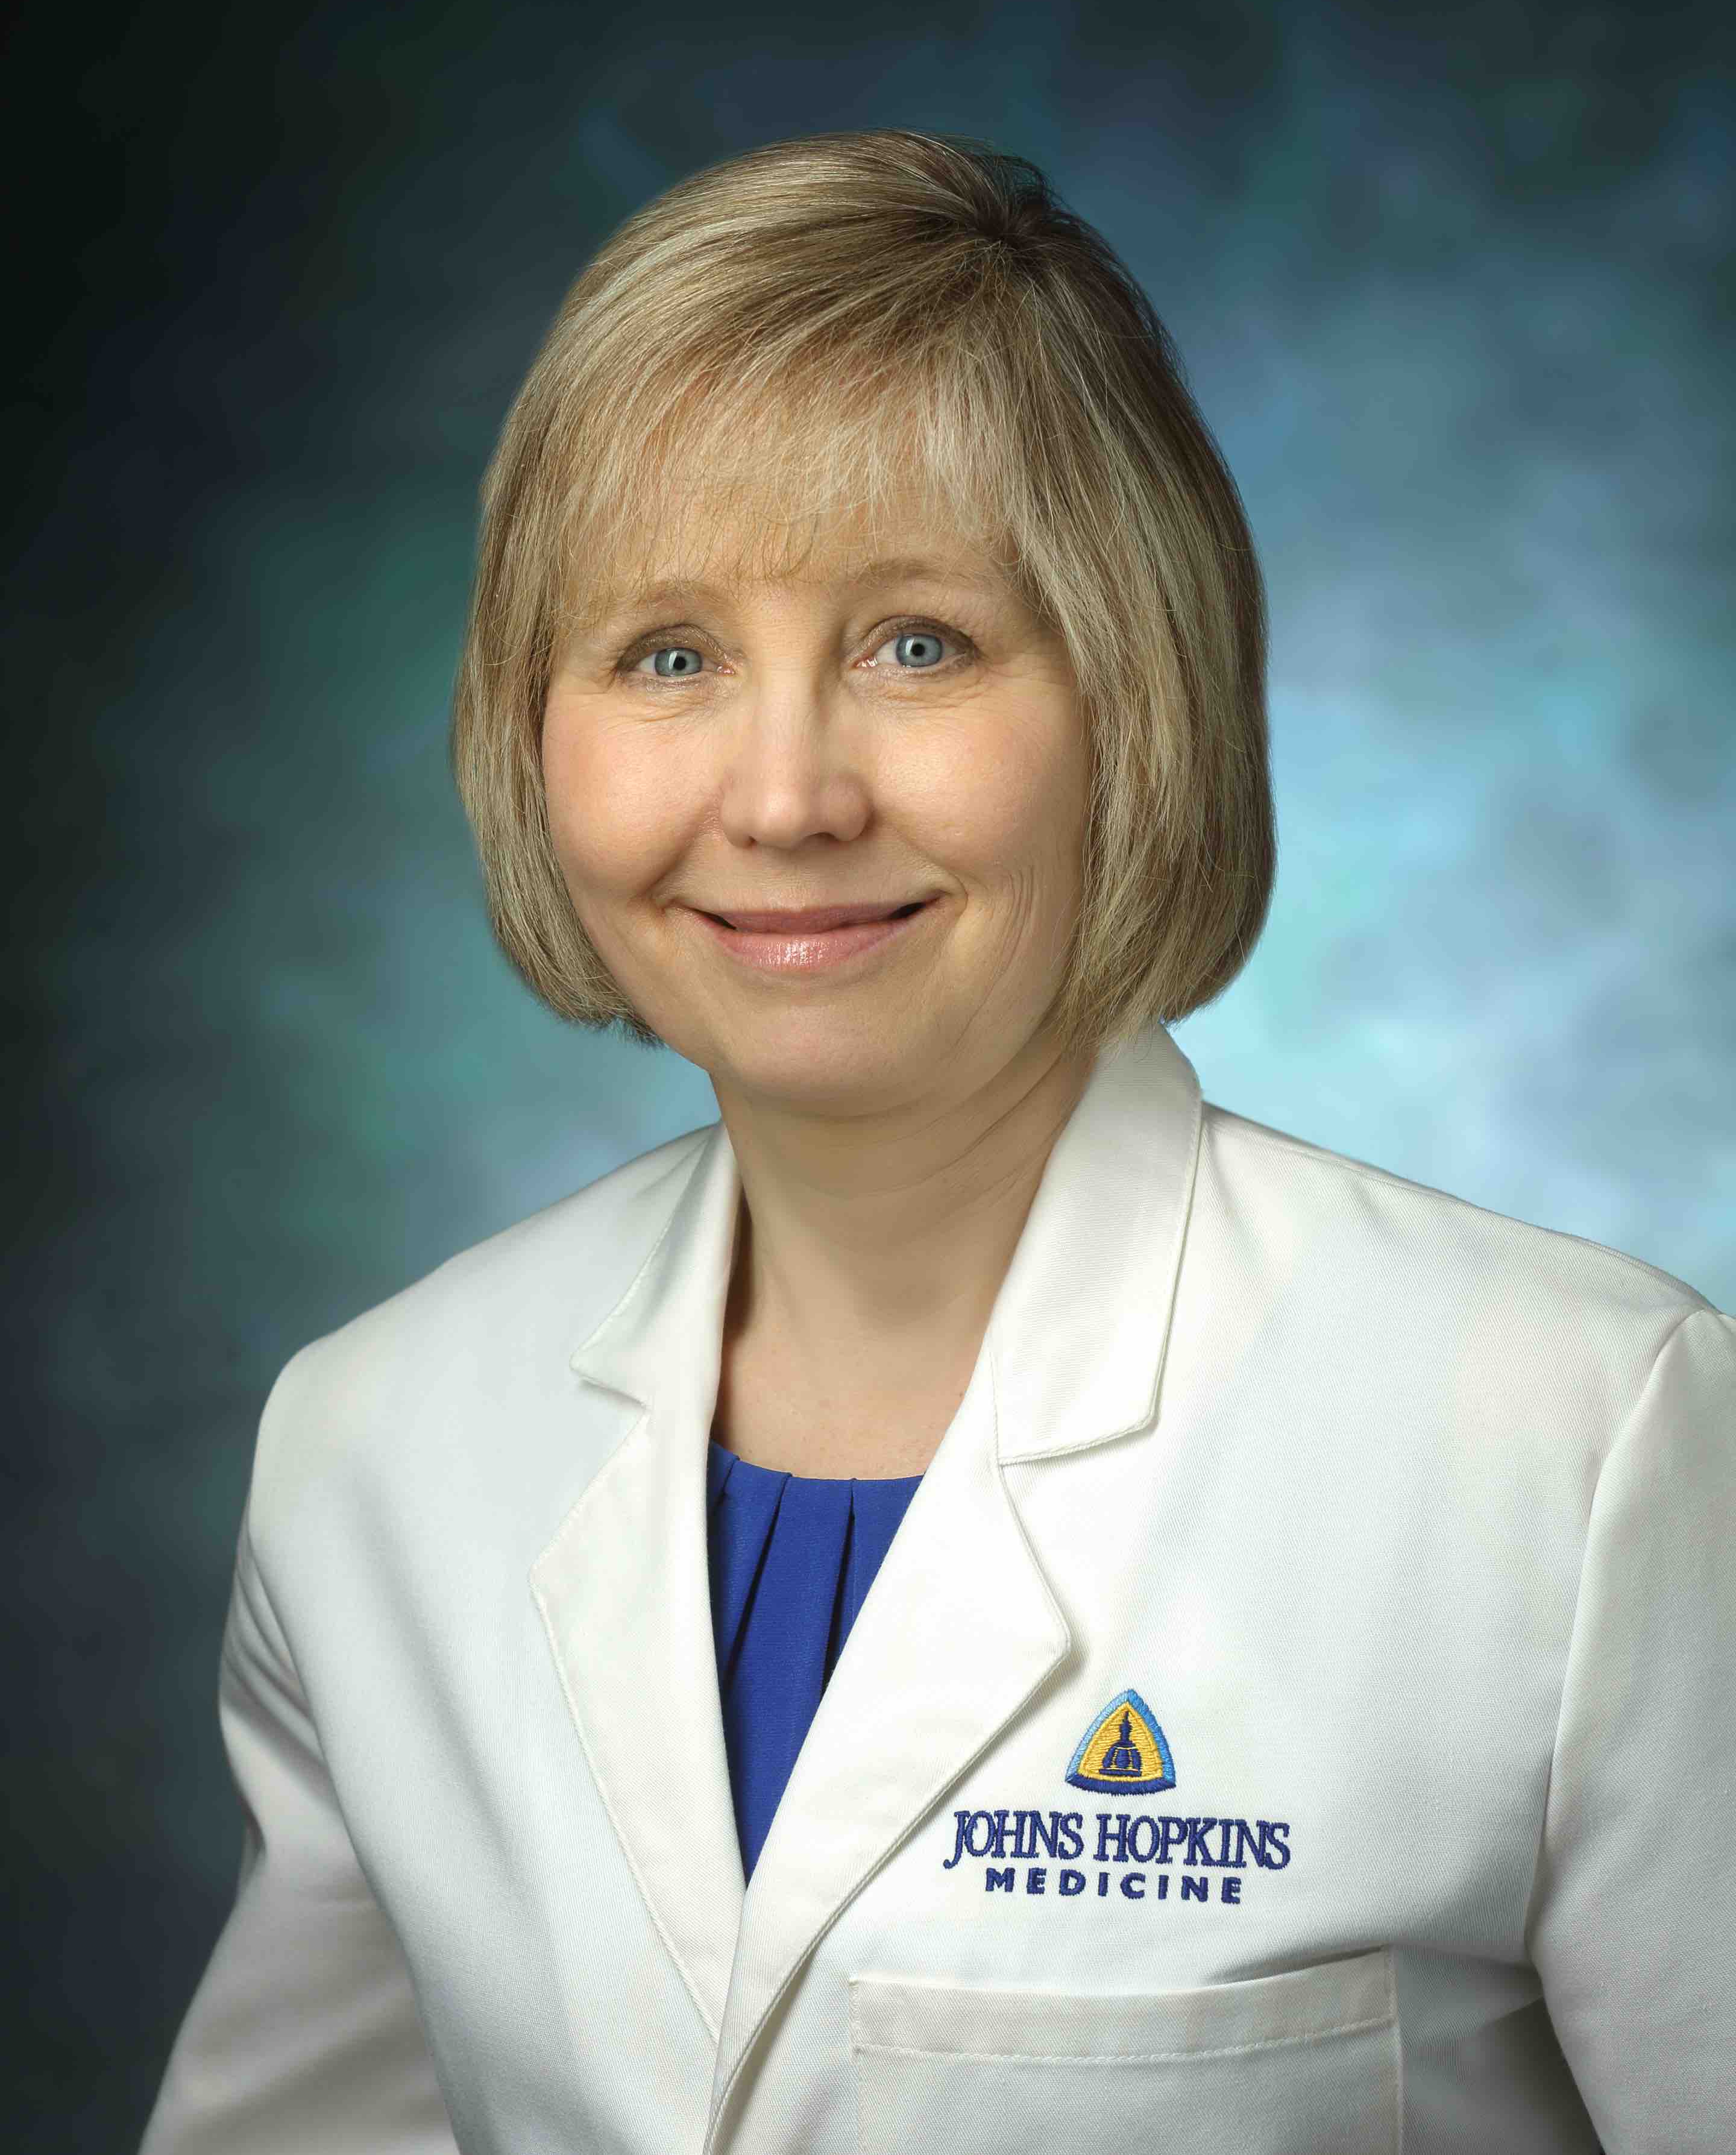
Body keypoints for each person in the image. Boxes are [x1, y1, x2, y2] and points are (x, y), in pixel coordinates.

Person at [139, 129, 1733, 2155]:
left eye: (920, 643)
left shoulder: (1580, 1444)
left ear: (1132, 696)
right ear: (530, 732)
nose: (788, 794)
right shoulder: (370, 1447)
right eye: (670, 654)